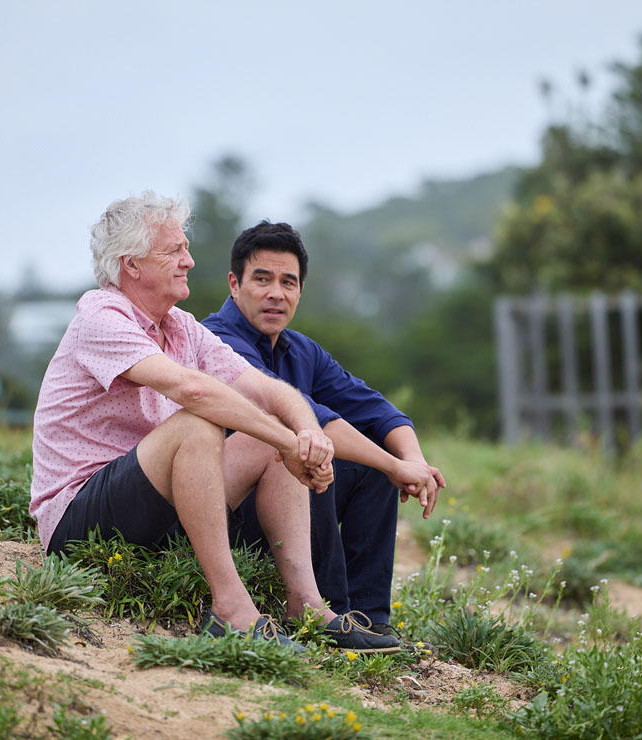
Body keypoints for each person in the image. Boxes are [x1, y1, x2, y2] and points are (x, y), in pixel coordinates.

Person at [29, 192, 399, 653]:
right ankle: (230, 610)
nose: (188, 260)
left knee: (265, 429)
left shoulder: (181, 326)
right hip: (78, 523)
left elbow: (268, 389)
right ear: (132, 264)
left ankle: (306, 605)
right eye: (173, 251)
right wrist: (289, 442)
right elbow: (193, 391)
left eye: (185, 248)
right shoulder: (101, 315)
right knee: (198, 423)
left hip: (148, 512)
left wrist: (304, 434)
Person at [203, 220, 445, 640]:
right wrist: (394, 466)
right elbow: (311, 420)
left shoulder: (301, 350)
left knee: (369, 463)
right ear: (234, 284)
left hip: (285, 511)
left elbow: (376, 409)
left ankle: (366, 618)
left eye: (288, 282)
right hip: (222, 512)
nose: (276, 293)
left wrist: (413, 460)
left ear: (300, 290)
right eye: (262, 279)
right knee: (311, 453)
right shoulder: (215, 340)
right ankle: (325, 609)